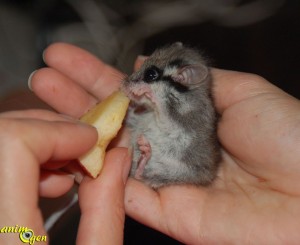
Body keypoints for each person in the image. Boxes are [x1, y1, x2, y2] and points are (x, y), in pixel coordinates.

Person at [1, 42, 299, 244]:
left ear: (183, 78)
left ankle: (141, 166)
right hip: (153, 140)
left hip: (183, 161)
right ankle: (139, 164)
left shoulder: (193, 107)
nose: (138, 79)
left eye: (151, 75)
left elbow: (176, 125)